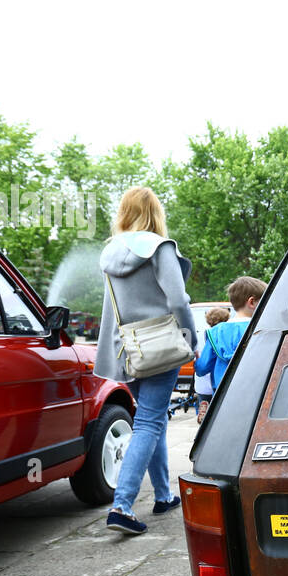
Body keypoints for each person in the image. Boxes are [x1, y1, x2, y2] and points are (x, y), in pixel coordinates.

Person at [96, 187, 196, 535]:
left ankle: (164, 495)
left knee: (151, 420)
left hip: (127, 351)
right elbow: (179, 300)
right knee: (150, 422)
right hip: (161, 347)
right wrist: (190, 337)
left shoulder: (109, 252)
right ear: (156, 212)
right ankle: (122, 506)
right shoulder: (159, 246)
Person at [195, 276, 265, 393]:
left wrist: (198, 363)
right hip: (256, 391)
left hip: (223, 393)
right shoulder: (262, 329)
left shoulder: (216, 332)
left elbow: (203, 368)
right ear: (252, 302)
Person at [195, 306, 229, 423]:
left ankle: (203, 407)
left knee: (203, 399)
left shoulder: (199, 335)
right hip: (219, 378)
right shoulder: (223, 335)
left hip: (202, 382)